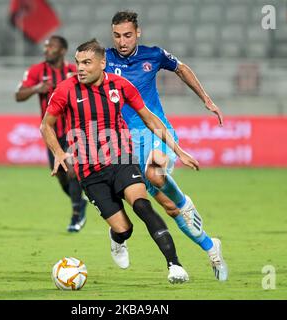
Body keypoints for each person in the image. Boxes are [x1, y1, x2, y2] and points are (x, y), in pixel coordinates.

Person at [41, 39, 200, 283]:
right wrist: (59, 153)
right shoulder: (66, 89)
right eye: (77, 63)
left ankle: (175, 265)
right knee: (125, 228)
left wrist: (178, 150)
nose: (80, 68)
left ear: (102, 63)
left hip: (122, 160)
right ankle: (117, 238)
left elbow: (150, 119)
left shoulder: (120, 85)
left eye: (87, 62)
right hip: (89, 171)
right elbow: (46, 125)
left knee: (143, 206)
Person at [104, 11, 228, 281]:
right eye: (117, 35)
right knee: (170, 209)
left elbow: (181, 68)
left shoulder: (154, 55)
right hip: (125, 144)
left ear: (138, 33)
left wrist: (206, 99)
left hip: (156, 132)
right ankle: (210, 246)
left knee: (154, 173)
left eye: (127, 35)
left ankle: (185, 202)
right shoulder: (105, 60)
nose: (122, 41)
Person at [15, 35, 87, 232]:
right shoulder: (37, 71)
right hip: (52, 133)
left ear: (62, 50)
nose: (47, 49)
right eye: (46, 46)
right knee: (62, 176)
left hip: (73, 131)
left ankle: (75, 216)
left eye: (52, 46)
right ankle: (80, 203)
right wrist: (37, 88)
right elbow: (18, 95)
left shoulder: (73, 71)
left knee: (72, 170)